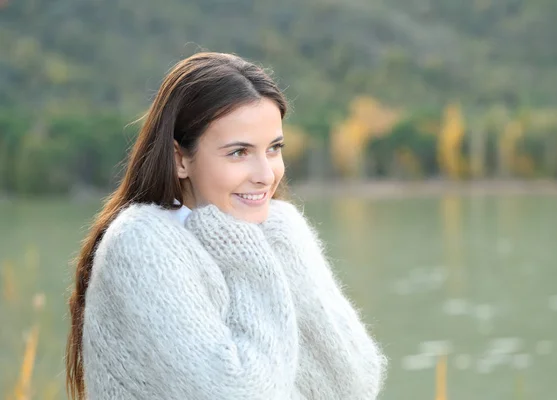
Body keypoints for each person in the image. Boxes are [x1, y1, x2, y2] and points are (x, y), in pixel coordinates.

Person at [65, 52, 387, 400]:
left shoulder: (276, 227)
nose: (266, 175)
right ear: (180, 159)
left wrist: (282, 244)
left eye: (274, 148)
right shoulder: (142, 243)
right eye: (239, 152)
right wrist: (246, 255)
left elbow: (354, 384)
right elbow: (239, 393)